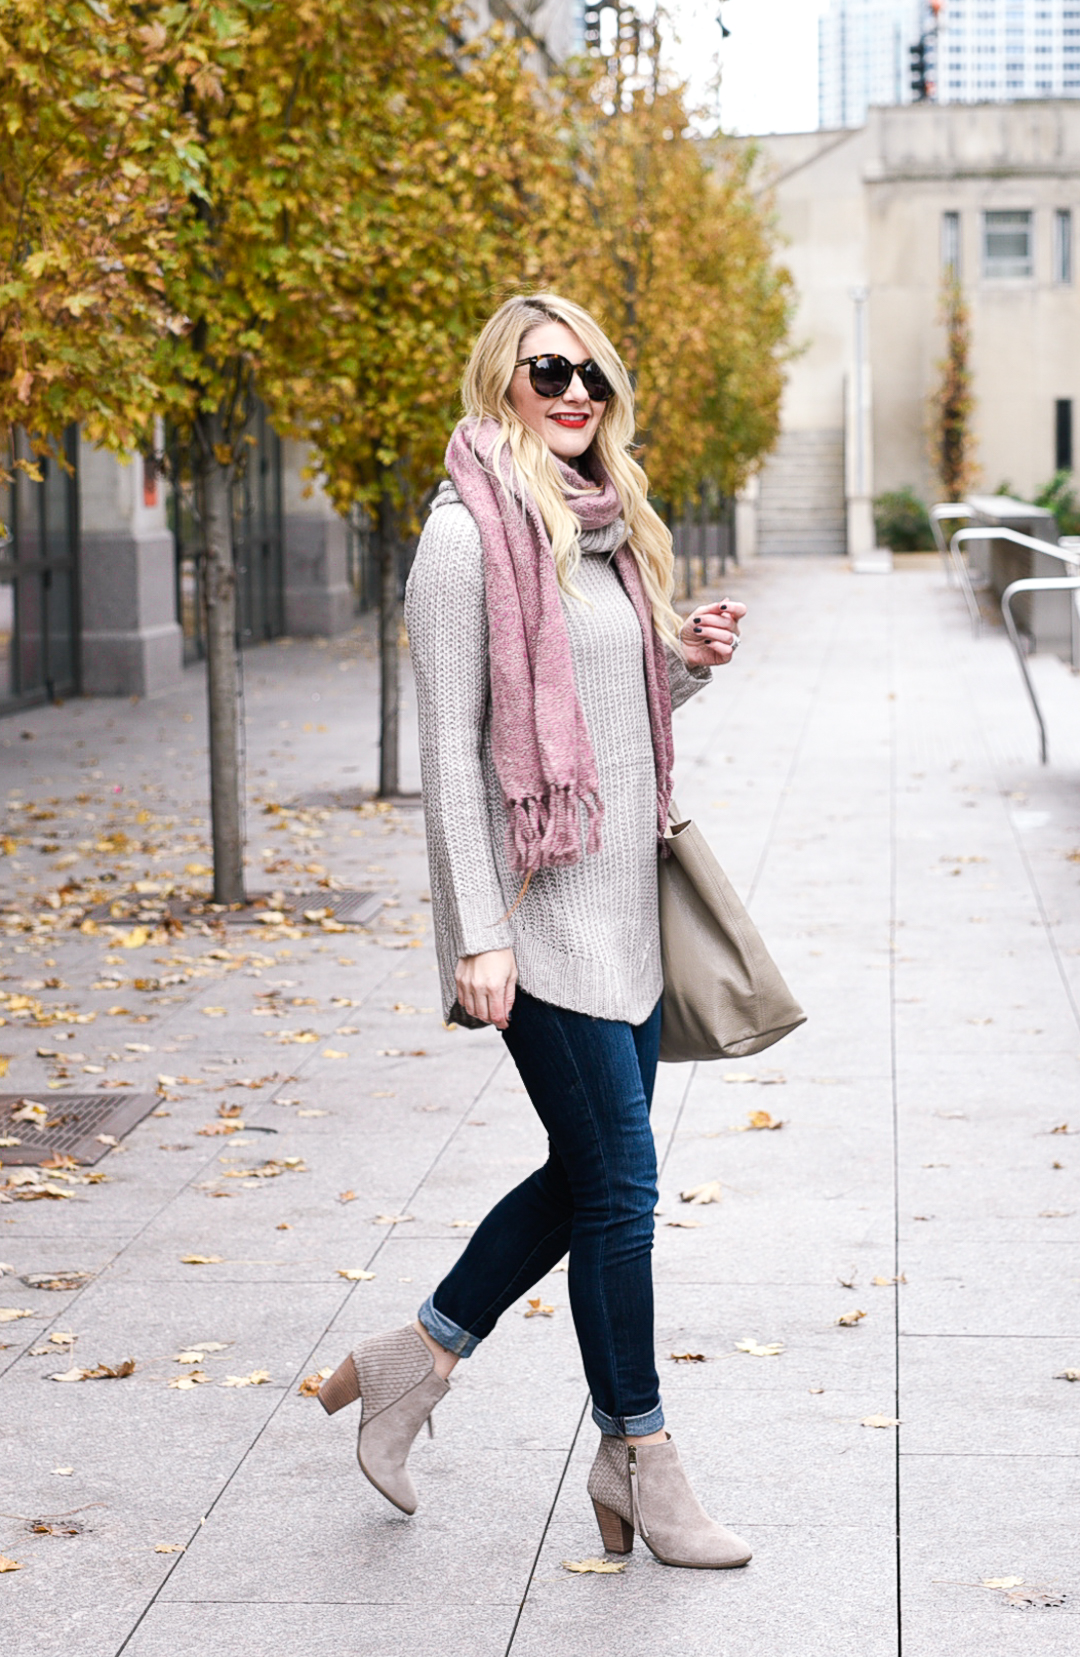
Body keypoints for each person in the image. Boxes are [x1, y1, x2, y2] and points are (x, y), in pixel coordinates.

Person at [319, 292, 750, 1569]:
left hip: (619, 902)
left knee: (590, 1173)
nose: (575, 393)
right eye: (548, 370)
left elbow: (608, 712)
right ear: (501, 380)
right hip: (534, 913)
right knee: (620, 1180)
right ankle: (641, 1456)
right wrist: (477, 933)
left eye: (595, 377)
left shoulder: (600, 530)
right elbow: (454, 751)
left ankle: (414, 1359)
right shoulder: (465, 540)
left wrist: (689, 661)